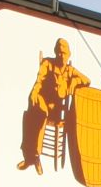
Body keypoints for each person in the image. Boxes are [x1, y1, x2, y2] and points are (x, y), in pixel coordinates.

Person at [15, 38, 90, 174]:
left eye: (65, 53)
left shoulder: (70, 70)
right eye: (60, 52)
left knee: (36, 115)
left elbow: (86, 80)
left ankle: (33, 158)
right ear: (56, 52)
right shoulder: (47, 63)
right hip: (42, 100)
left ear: (69, 55)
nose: (62, 56)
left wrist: (73, 83)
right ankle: (30, 157)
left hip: (56, 109)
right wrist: (34, 92)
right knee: (32, 114)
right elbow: (39, 80)